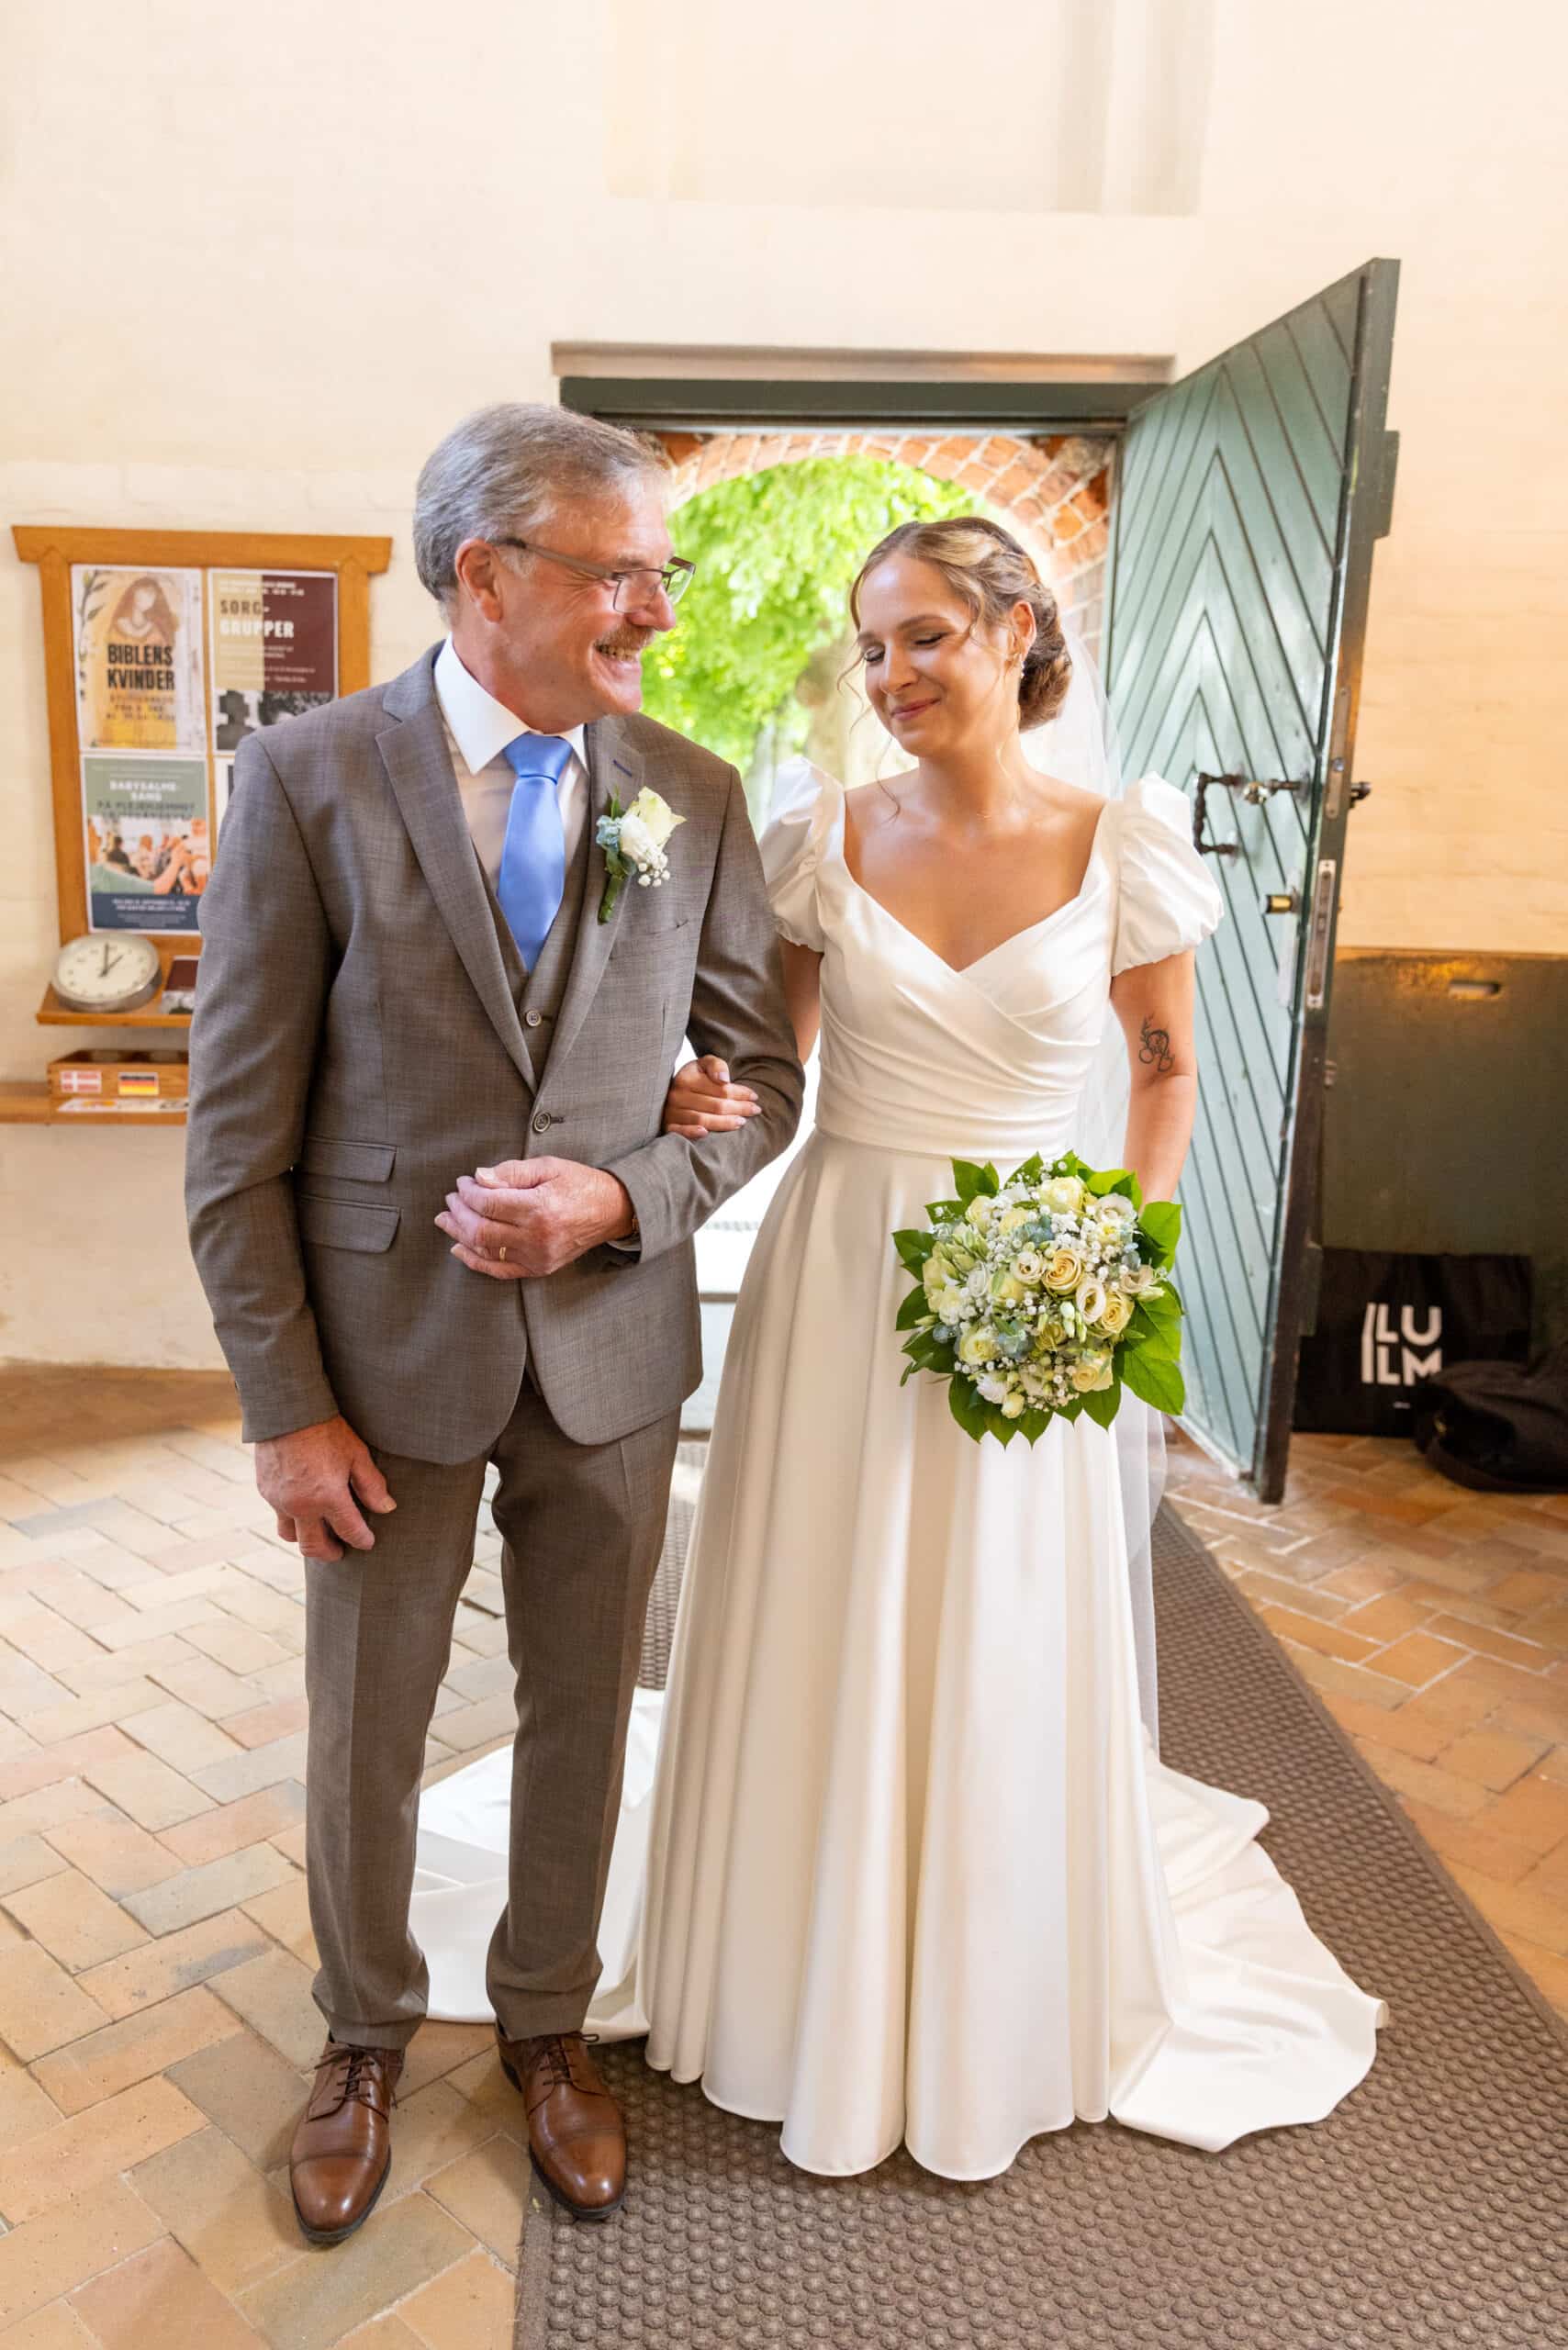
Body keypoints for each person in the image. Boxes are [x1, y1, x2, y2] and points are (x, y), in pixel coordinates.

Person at [414, 516, 1385, 2183]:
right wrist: (692, 1094)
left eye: (925, 635)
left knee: (995, 1602)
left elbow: (1167, 1075)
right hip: (846, 1265)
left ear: (1017, 632)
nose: (891, 675)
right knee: (828, 1584)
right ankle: (794, 1956)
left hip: (1036, 1267)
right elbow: (765, 1071)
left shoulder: (1127, 847)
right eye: (872, 648)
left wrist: (1115, 1257)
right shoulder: (820, 840)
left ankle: (982, 1973)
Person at [185, 402, 802, 2244]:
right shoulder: (307, 777)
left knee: (582, 1708)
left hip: (611, 1354)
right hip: (382, 1361)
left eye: (660, 576)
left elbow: (760, 1080)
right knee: (366, 1720)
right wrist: (284, 1407)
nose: (658, 614)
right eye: (623, 577)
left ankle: (547, 2019)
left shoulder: (687, 790)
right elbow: (235, 1139)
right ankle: (363, 2032)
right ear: (487, 573)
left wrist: (626, 1195)